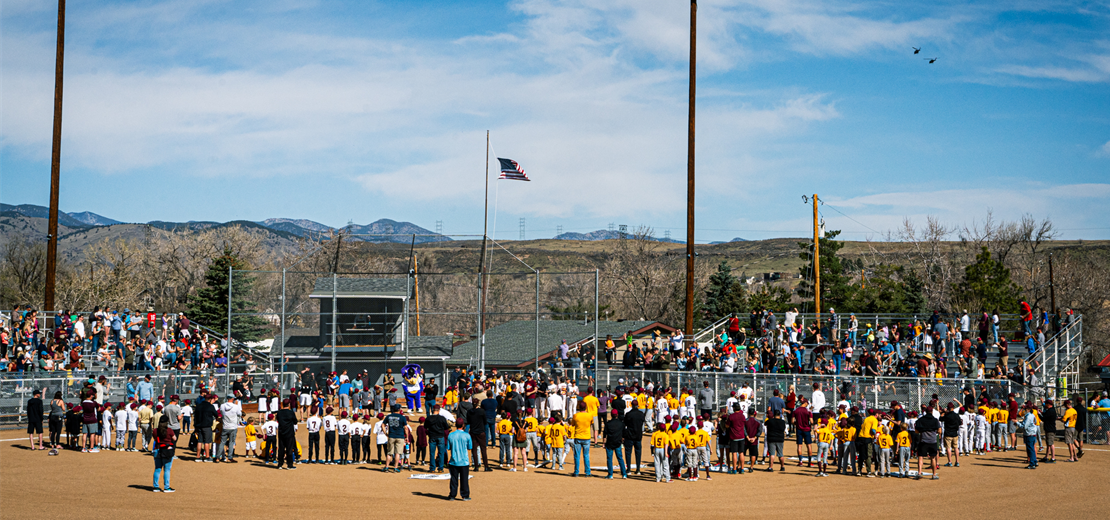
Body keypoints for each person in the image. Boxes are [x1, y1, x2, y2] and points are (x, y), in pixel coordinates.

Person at [446, 419, 472, 501]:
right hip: (464, 461)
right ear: (463, 425)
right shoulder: (467, 435)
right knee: (464, 479)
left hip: (454, 460)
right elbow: (470, 447)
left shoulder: (451, 435)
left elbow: (448, 448)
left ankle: (452, 495)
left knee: (454, 479)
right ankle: (465, 495)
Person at [152, 415, 176, 492]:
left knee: (157, 469)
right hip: (167, 451)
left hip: (157, 450)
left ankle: (156, 486)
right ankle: (166, 487)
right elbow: (174, 438)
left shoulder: (155, 430)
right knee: (167, 469)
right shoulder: (169, 430)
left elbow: (155, 438)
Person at [915, 407, 941, 480]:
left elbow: (916, 431)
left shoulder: (921, 420)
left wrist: (922, 432)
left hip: (923, 440)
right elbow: (939, 431)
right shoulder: (935, 420)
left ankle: (919, 473)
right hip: (933, 441)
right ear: (932, 411)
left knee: (920, 456)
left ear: (925, 412)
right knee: (933, 458)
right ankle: (934, 474)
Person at [570, 401, 593, 477]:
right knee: (586, 455)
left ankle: (576, 472)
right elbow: (591, 423)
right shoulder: (589, 415)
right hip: (586, 437)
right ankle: (587, 472)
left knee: (577, 455)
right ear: (585, 407)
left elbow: (572, 424)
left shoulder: (576, 415)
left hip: (578, 436)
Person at [384, 404, 408, 473]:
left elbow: (383, 424)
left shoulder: (389, 416)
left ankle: (387, 467)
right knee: (397, 453)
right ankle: (395, 467)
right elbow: (406, 428)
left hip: (391, 435)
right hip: (400, 436)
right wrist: (406, 436)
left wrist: (385, 433)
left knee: (389, 453)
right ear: (399, 410)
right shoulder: (402, 417)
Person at [603, 409, 627, 479]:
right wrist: (622, 441)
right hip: (618, 442)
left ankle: (610, 474)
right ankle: (624, 474)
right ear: (617, 415)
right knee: (620, 458)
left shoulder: (608, 423)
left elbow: (605, 434)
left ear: (611, 415)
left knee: (609, 459)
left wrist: (604, 443)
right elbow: (624, 434)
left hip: (610, 442)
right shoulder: (621, 423)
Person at [275, 398, 298, 469]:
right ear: (289, 404)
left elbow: (278, 420)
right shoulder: (291, 413)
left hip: (281, 432)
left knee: (281, 448)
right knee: (289, 449)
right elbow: (295, 421)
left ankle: (280, 464)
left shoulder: (279, 412)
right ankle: (289, 464)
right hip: (289, 433)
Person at [1022, 404, 1040, 469]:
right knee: (1032, 448)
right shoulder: (1032, 415)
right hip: (1032, 433)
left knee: (1030, 449)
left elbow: (1024, 426)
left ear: (1029, 410)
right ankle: (1034, 461)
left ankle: (1032, 463)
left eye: (1025, 409)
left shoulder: (1029, 416)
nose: (1024, 410)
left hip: (1029, 434)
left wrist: (1017, 423)